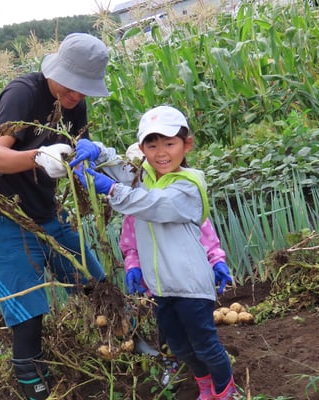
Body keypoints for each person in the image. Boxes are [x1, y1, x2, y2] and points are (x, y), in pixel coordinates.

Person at [70, 105, 239, 399]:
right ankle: (205, 387)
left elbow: (151, 204)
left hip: (190, 286)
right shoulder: (145, 175)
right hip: (160, 287)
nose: (161, 153)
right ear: (142, 149)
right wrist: (97, 151)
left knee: (205, 345)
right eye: (152, 145)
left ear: (187, 145)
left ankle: (225, 391)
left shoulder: (188, 186)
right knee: (180, 346)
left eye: (170, 144)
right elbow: (121, 168)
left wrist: (111, 190)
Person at [0, 33, 109, 400]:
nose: (76, 95)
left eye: (84, 89)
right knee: (28, 310)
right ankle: (35, 384)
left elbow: (74, 154)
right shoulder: (23, 94)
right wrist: (38, 157)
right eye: (71, 85)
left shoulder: (74, 103)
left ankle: (125, 343)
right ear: (56, 70)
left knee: (95, 283)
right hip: (5, 214)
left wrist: (98, 159)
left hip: (47, 210)